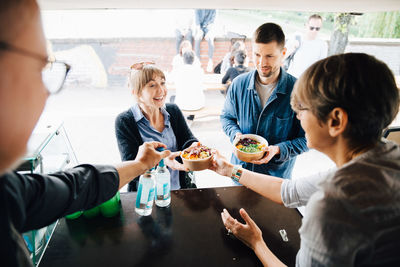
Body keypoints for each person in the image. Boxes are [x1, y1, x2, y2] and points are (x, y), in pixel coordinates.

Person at [0, 1, 171, 266]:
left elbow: (75, 187)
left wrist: (139, 164)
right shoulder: (125, 120)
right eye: (38, 69)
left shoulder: (7, 190)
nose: (44, 95)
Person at [211, 53, 400, 266]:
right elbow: (289, 191)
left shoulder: (330, 210)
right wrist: (229, 170)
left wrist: (256, 242)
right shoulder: (384, 158)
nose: (298, 116)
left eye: (302, 109)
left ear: (336, 120)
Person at [220, 23, 308, 179]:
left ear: (284, 53)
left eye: (269, 56)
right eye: (257, 55)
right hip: (241, 173)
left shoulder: (299, 90)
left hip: (276, 179)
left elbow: (307, 138)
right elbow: (227, 117)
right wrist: (235, 134)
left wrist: (279, 149)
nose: (262, 63)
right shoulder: (238, 85)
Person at [115, 63, 198, 192]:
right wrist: (162, 162)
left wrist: (193, 147)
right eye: (152, 85)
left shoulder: (173, 111)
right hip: (147, 196)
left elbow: (187, 139)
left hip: (179, 190)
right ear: (136, 93)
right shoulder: (125, 121)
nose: (161, 90)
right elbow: (130, 168)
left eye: (163, 83)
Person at [286, 14, 328, 78]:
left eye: (317, 29)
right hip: (291, 78)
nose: (314, 31)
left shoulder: (323, 45)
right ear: (306, 25)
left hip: (308, 81)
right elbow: (282, 55)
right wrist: (292, 48)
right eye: (311, 28)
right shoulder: (296, 37)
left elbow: (321, 67)